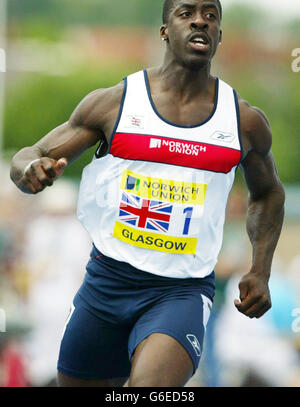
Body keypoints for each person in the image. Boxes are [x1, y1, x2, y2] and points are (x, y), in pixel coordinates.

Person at [10, 0, 285, 387]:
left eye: (210, 15)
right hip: (107, 281)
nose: (199, 22)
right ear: (164, 30)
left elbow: (269, 194)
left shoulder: (243, 121)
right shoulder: (115, 104)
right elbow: (30, 156)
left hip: (180, 291)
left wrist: (260, 270)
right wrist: (29, 172)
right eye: (186, 13)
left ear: (219, 35)